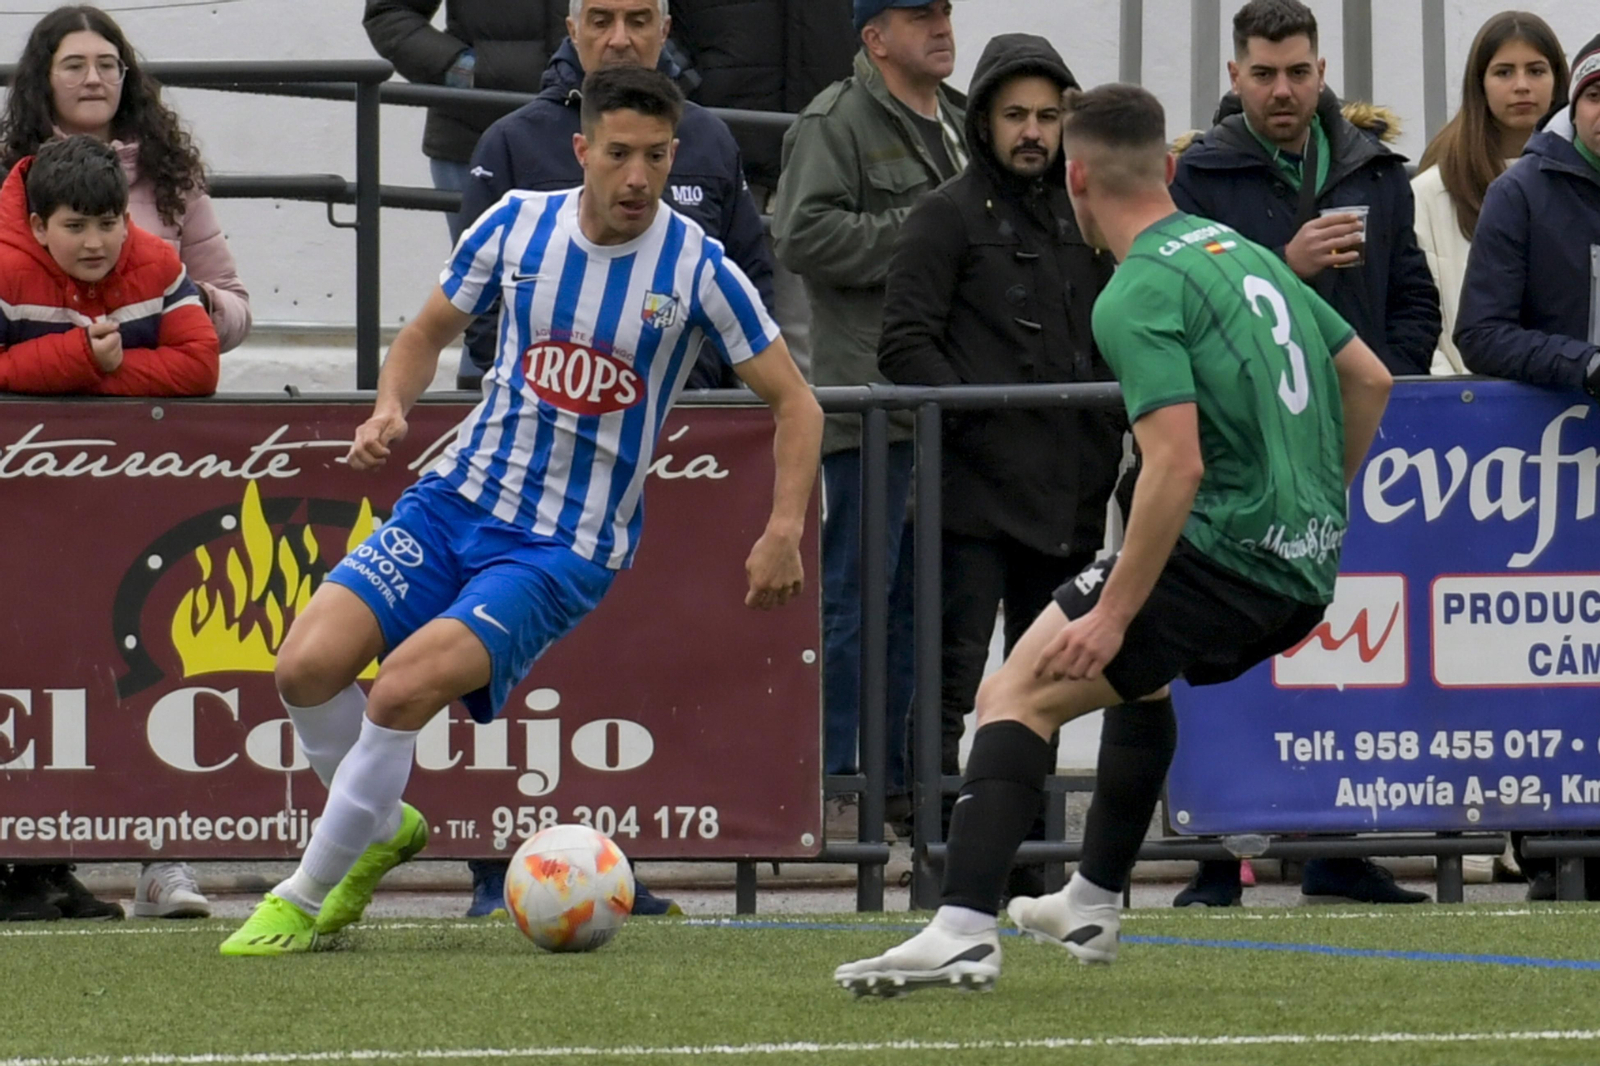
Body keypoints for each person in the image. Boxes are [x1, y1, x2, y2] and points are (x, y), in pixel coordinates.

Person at [218, 66, 822, 957]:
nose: (638, 178)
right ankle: (380, 829)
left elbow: (796, 403)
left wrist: (781, 531)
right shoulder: (515, 225)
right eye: (619, 155)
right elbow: (425, 334)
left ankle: (304, 898)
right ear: (582, 150)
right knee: (304, 666)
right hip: (454, 499)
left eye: (657, 157)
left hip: (562, 545)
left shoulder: (698, 265)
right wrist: (391, 406)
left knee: (403, 687)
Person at [833, 82, 1393, 996]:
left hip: (1223, 560)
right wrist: (1316, 505)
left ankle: (963, 927)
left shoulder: (1135, 289)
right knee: (1141, 680)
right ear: (1169, 168)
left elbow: (1174, 466)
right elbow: (1369, 380)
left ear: (1075, 173)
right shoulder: (1245, 256)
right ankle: (1089, 899)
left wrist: (1116, 608)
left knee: (1018, 692)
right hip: (1301, 568)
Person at [1169, 0, 1438, 907]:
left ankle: (1336, 849)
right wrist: (1282, 262)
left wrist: (1378, 387)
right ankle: (1218, 855)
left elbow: (1415, 302)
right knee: (1225, 648)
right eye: (1263, 73)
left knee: (1347, 651)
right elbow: (1187, 309)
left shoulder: (1375, 168)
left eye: (1297, 72)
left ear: (1321, 72)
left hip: (1349, 452)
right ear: (1234, 76)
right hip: (1240, 452)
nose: (1281, 90)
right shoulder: (1198, 176)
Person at [877, 33, 1122, 898]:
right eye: (1016, 114)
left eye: (1049, 116)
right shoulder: (944, 214)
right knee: (948, 686)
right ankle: (940, 857)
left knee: (1047, 683)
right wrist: (983, 416)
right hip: (968, 500)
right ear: (982, 119)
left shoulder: (1087, 213)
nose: (1033, 132)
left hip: (1070, 498)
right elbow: (902, 344)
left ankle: (1021, 862)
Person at [0, 136, 219, 920]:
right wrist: (78, 358)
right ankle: (17, 871)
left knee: (88, 678)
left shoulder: (157, 263)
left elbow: (199, 368)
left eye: (106, 225)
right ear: (35, 223)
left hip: (113, 519)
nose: (95, 244)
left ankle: (53, 871)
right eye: (75, 227)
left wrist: (107, 364)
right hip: (16, 520)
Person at [772, 0, 965, 841]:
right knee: (856, 600)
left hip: (943, 405)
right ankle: (838, 780)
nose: (942, 25)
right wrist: (923, 234)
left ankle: (898, 783)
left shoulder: (958, 117)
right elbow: (801, 234)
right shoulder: (835, 120)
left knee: (922, 606)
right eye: (918, 14)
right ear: (873, 36)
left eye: (946, 10)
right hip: (870, 402)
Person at [458, 0, 773, 393]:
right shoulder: (512, 143)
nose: (619, 40)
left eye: (638, 22)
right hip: (546, 416)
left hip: (691, 423)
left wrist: (720, 397)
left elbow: (750, 278)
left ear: (665, 30)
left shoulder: (711, 140)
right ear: (573, 30)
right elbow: (474, 298)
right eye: (601, 21)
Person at [1, 6, 252, 358]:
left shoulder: (172, 175)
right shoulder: (9, 177)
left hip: (152, 396)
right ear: (44, 79)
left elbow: (236, 306)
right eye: (74, 66)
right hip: (37, 398)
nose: (93, 79)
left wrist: (189, 300)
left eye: (107, 65)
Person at [363, 0, 568, 389]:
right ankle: (478, 413)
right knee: (482, 288)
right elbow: (389, 11)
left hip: (601, 128)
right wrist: (464, 72)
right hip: (473, 131)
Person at [668, 0, 857, 381]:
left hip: (824, 163)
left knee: (806, 354)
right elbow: (653, 20)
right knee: (704, 330)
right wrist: (690, 86)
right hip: (720, 160)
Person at [1414, 11, 1569, 376]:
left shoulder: (1582, 185)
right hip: (1466, 407)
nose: (1521, 86)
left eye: (1536, 70)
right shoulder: (1432, 191)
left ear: (1559, 80)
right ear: (1478, 83)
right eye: (1503, 72)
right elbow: (1420, 314)